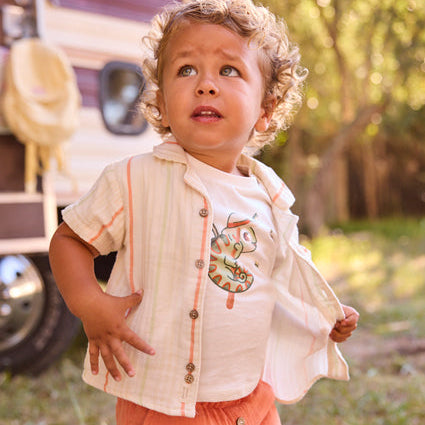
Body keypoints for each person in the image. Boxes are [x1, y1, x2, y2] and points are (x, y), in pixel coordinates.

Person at [49, 1, 359, 424]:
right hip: (163, 406)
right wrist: (90, 303)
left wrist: (324, 316)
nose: (206, 85)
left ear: (265, 110)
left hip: (252, 399)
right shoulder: (133, 179)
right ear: (161, 101)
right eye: (186, 70)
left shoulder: (268, 197)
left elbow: (285, 279)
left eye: (229, 70)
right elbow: (69, 240)